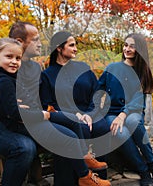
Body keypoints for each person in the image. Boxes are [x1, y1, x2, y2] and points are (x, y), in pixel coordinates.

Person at [0, 22, 111, 186]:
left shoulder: (36, 68)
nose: (40, 44)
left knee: (67, 131)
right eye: (35, 40)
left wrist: (52, 112)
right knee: (26, 147)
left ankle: (73, 179)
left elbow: (42, 99)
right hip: (1, 124)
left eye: (17, 58)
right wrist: (9, 109)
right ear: (20, 42)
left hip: (30, 121)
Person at [97, 33, 153, 186]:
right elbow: (97, 88)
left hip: (133, 111)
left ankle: (152, 164)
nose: (127, 49)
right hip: (112, 112)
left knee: (135, 122)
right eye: (126, 45)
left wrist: (124, 114)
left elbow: (138, 99)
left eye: (132, 46)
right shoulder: (112, 67)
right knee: (120, 133)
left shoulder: (143, 72)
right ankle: (143, 170)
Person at [39, 31, 110, 178]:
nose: (76, 49)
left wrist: (90, 114)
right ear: (59, 48)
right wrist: (75, 115)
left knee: (102, 127)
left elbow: (96, 93)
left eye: (75, 45)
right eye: (71, 45)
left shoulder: (83, 68)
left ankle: (101, 177)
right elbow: (48, 104)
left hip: (90, 112)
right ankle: (82, 177)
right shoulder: (47, 75)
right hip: (66, 117)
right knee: (81, 130)